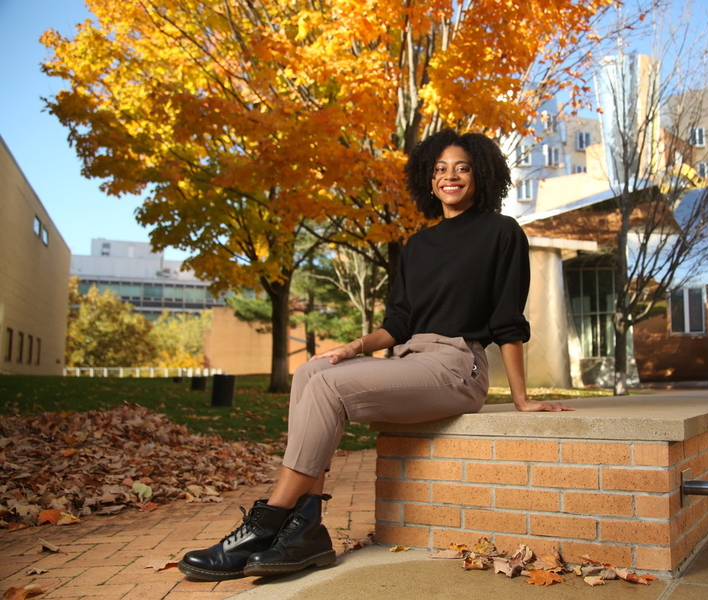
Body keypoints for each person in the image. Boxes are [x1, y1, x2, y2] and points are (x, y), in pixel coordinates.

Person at [177, 130, 573, 582]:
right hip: (409, 361)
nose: (451, 176)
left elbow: (507, 320)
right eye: (440, 169)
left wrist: (521, 398)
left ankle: (269, 522)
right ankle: (305, 531)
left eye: (461, 167)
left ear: (480, 175)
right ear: (428, 180)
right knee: (313, 370)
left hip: (457, 367)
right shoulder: (417, 246)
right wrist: (355, 347)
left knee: (325, 384)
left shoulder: (502, 232)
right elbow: (399, 323)